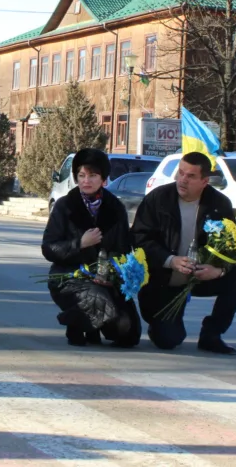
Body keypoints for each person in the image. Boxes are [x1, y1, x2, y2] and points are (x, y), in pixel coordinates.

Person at [131, 152, 236, 355]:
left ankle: (211, 335)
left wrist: (219, 269)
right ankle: (161, 324)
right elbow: (139, 239)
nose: (183, 180)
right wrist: (170, 260)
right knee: (168, 340)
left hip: (200, 278)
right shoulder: (158, 199)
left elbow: (232, 246)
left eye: (191, 176)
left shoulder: (219, 204)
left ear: (205, 181)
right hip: (163, 281)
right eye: (180, 173)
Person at [42, 148, 140, 347]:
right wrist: (80, 244)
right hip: (70, 277)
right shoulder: (65, 206)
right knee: (102, 303)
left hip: (105, 280)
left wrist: (112, 274)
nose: (86, 181)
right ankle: (76, 325)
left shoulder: (115, 208)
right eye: (82, 175)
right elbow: (49, 248)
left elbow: (123, 249)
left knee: (128, 332)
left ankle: (92, 325)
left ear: (103, 179)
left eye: (93, 175)